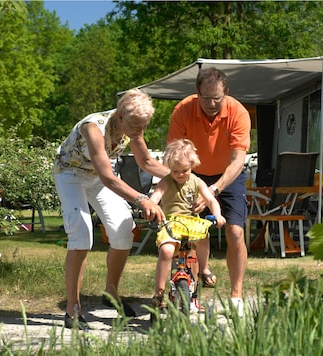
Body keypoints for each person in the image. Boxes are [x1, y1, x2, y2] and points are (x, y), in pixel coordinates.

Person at [54, 88, 169, 330]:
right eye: (136, 127)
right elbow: (109, 178)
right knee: (81, 234)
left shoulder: (132, 126)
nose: (139, 133)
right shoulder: (93, 128)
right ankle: (72, 309)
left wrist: (182, 176)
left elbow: (146, 162)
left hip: (95, 177)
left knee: (123, 228)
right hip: (70, 174)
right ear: (119, 116)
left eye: (143, 127)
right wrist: (142, 199)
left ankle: (111, 293)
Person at [167, 67, 251, 316]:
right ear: (197, 92)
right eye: (206, 98)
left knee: (235, 232)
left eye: (217, 97)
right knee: (190, 232)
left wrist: (213, 191)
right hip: (192, 173)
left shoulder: (238, 112)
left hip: (228, 175)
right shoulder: (183, 110)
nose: (212, 103)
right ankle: (190, 296)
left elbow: (238, 160)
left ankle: (236, 296)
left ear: (226, 93)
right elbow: (174, 152)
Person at [148, 139, 226, 312]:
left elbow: (211, 199)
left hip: (191, 221)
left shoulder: (196, 181)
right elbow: (155, 198)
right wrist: (152, 209)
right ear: (169, 167)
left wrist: (218, 215)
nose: (180, 174)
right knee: (167, 251)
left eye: (185, 170)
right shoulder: (166, 181)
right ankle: (159, 292)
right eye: (175, 171)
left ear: (192, 165)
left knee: (203, 237)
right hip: (171, 222)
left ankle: (204, 270)